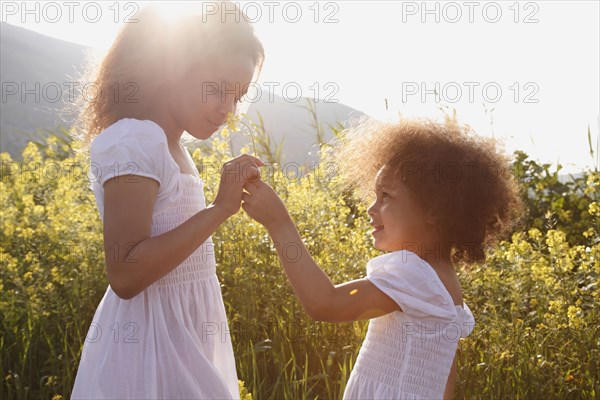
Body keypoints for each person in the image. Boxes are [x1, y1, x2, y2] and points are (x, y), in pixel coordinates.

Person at [241, 118, 524, 399]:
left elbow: (325, 304)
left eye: (386, 196)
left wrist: (279, 223)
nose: (371, 208)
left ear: (434, 211)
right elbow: (444, 381)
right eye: (375, 195)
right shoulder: (442, 281)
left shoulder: (414, 275)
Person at [70, 2, 264, 398]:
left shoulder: (173, 146)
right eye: (219, 88)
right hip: (145, 354)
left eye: (238, 96)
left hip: (181, 344)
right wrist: (220, 209)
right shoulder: (135, 139)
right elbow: (125, 273)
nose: (228, 109)